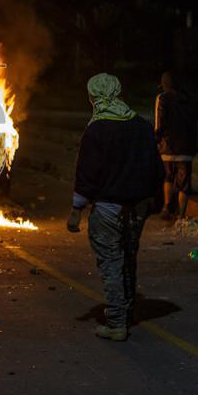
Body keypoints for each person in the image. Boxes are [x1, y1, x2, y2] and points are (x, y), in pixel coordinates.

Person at [68, 73, 163, 342]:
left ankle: (116, 323)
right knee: (129, 257)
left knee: (111, 262)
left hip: (108, 208)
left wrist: (76, 210)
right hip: (138, 207)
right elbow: (157, 169)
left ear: (95, 97)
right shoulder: (142, 126)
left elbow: (87, 175)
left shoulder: (97, 129)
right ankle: (128, 310)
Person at [154, 71, 198, 219]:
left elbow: (159, 124)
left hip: (168, 149)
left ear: (164, 85)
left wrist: (155, 142)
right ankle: (181, 217)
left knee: (168, 178)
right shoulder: (190, 100)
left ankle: (166, 207)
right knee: (184, 184)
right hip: (187, 150)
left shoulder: (162, 98)